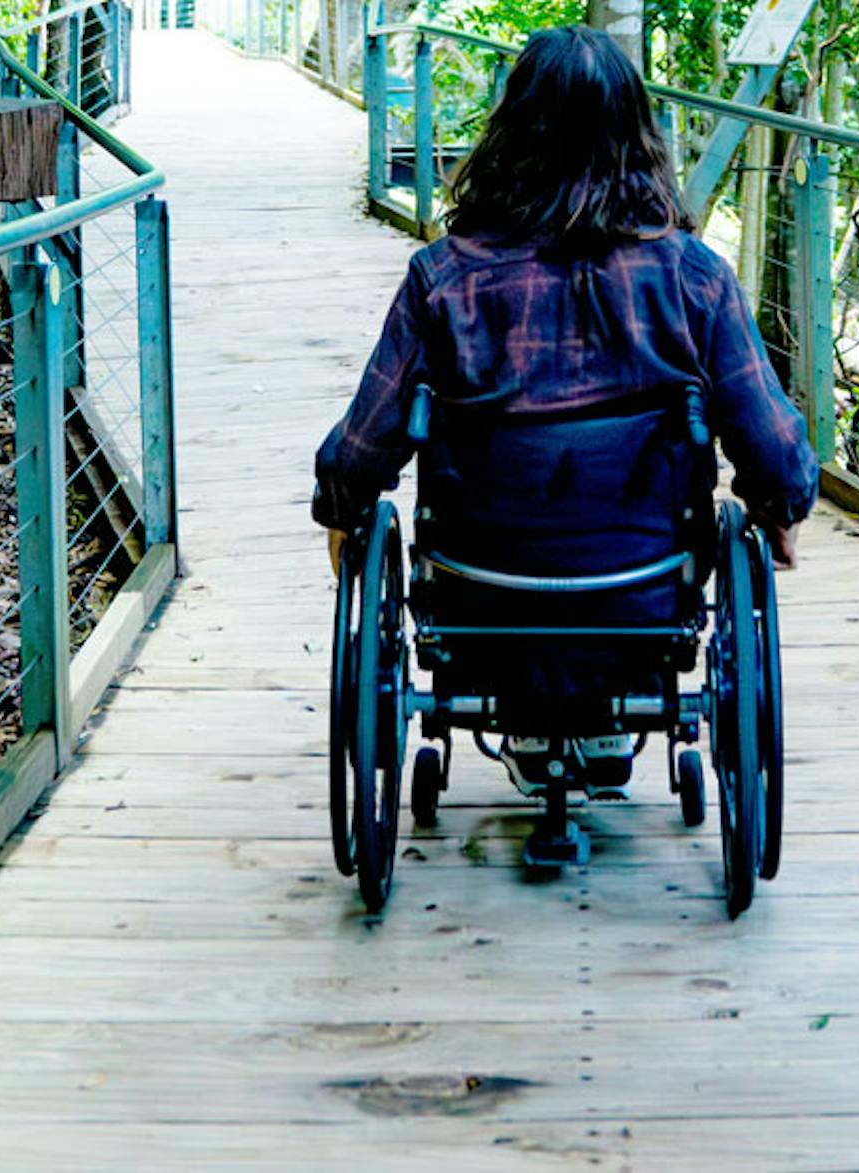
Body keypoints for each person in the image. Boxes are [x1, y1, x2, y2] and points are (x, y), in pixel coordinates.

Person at [309, 25, 816, 805]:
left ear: (508, 134)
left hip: (478, 594)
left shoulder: (443, 279)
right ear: (640, 137)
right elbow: (776, 453)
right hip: (646, 594)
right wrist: (777, 508)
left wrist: (343, 511)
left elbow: (362, 444)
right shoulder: (695, 279)